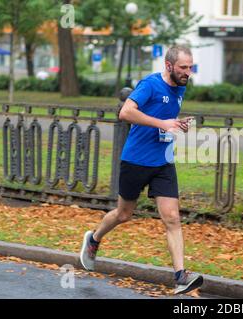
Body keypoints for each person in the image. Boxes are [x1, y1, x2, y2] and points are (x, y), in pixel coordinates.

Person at [79, 45, 203, 295]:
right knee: (124, 214)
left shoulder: (180, 87)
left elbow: (165, 120)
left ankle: (180, 276)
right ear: (169, 66)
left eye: (190, 67)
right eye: (183, 67)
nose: (188, 72)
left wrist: (177, 125)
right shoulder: (150, 84)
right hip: (135, 160)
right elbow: (125, 112)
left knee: (172, 217)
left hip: (163, 162)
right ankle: (93, 239)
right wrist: (163, 123)